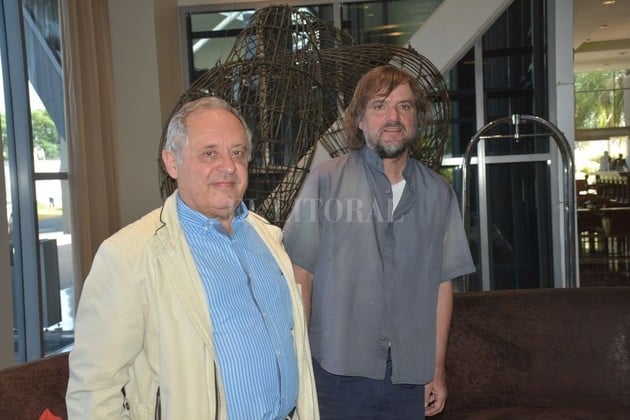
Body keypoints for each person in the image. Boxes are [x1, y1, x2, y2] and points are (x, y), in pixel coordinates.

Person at [66, 96, 319, 419]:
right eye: (209, 153)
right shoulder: (128, 256)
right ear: (172, 162)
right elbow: (93, 393)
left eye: (237, 152)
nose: (228, 167)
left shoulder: (268, 239)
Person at [283, 65, 475, 419]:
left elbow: (441, 286)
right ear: (359, 119)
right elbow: (300, 276)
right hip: (334, 375)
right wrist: (299, 367)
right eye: (379, 106)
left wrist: (436, 369)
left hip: (409, 379)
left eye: (404, 106)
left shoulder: (439, 193)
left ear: (416, 118)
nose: (393, 117)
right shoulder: (324, 182)